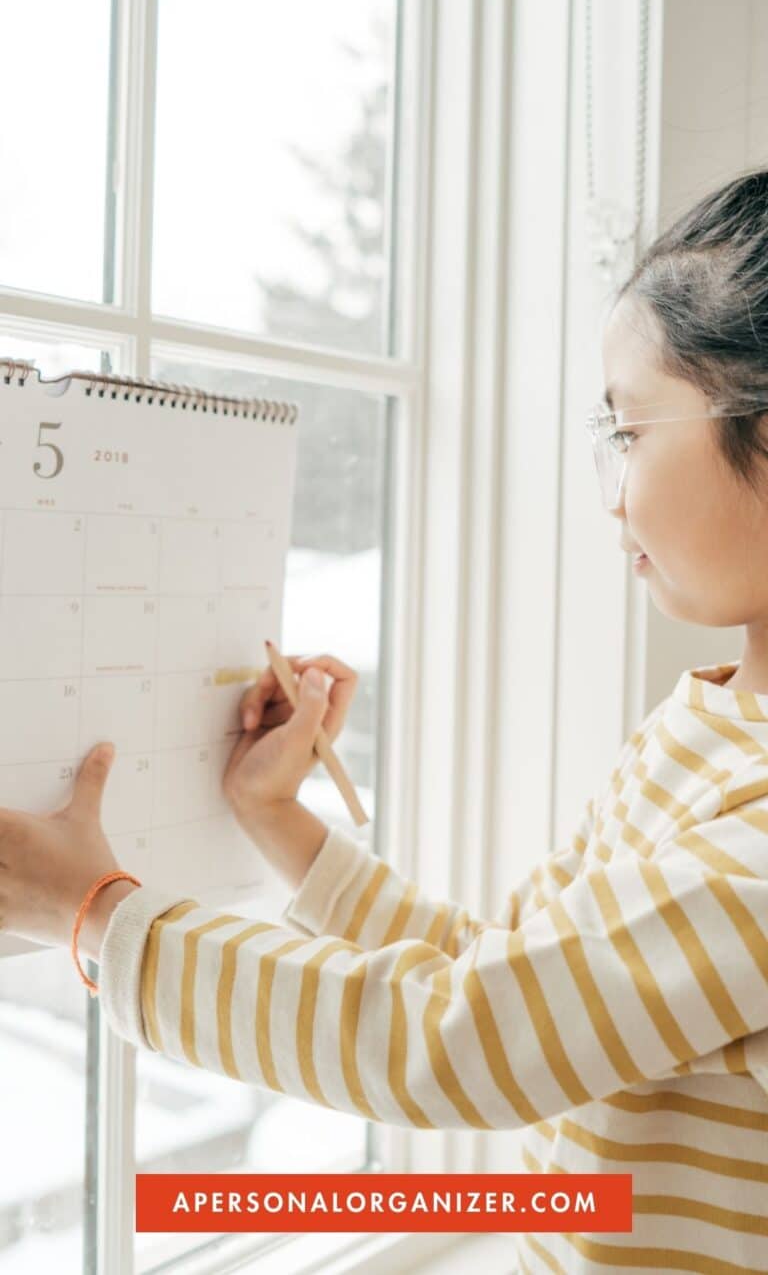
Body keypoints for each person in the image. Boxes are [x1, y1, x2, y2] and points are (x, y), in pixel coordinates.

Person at [3, 169, 768, 1275]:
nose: (610, 490)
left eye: (630, 429)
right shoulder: (706, 722)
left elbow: (456, 1041)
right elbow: (511, 980)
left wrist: (96, 917)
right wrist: (281, 822)